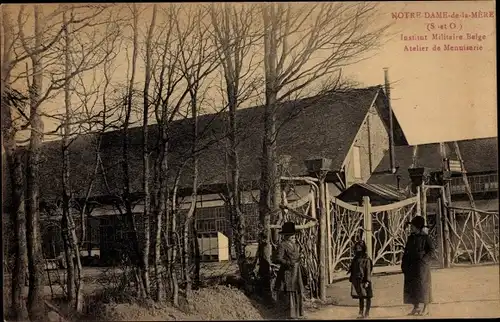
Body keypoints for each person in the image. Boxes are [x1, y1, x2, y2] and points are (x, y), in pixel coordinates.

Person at [401, 215, 435, 316]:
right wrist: (404, 263)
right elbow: (406, 251)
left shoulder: (425, 237)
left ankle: (426, 307)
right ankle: (416, 307)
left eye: (413, 226)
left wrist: (424, 260)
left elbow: (432, 250)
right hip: (411, 265)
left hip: (421, 267)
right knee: (412, 286)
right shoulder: (411, 238)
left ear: (418, 227)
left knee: (423, 286)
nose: (412, 228)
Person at [274, 221, 305, 320]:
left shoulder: (295, 245)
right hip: (288, 271)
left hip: (297, 270)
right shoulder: (282, 245)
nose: (294, 239)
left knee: (297, 290)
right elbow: (278, 258)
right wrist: (288, 263)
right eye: (292, 237)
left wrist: (300, 257)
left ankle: (299, 313)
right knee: (290, 290)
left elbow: (296, 255)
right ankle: (291, 314)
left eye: (294, 237)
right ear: (287, 236)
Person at [348, 240, 373, 319]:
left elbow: (368, 270)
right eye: (357, 248)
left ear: (363, 248)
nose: (358, 249)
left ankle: (367, 313)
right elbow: (353, 268)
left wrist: (367, 281)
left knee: (368, 296)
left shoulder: (366, 259)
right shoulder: (355, 258)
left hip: (365, 280)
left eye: (360, 248)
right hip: (357, 280)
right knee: (361, 296)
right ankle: (361, 312)